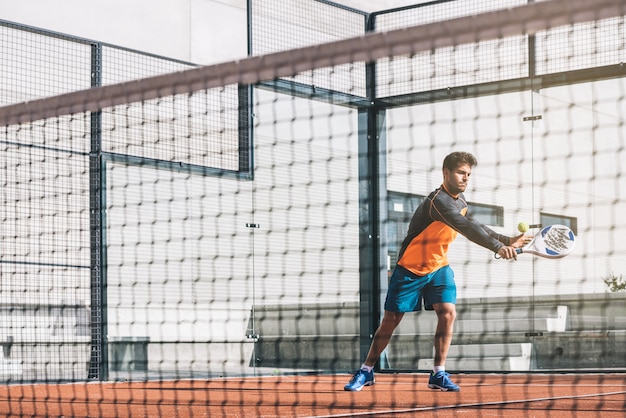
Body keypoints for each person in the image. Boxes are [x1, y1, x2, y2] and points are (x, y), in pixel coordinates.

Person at [344, 151, 528, 392]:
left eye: (469, 174)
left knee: (448, 313)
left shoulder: (460, 201)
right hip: (411, 268)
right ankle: (366, 370)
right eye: (461, 173)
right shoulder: (438, 202)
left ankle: (438, 373)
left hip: (439, 267)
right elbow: (466, 229)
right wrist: (498, 247)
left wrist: (507, 239)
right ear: (446, 173)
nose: (465, 178)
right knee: (391, 320)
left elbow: (475, 224)